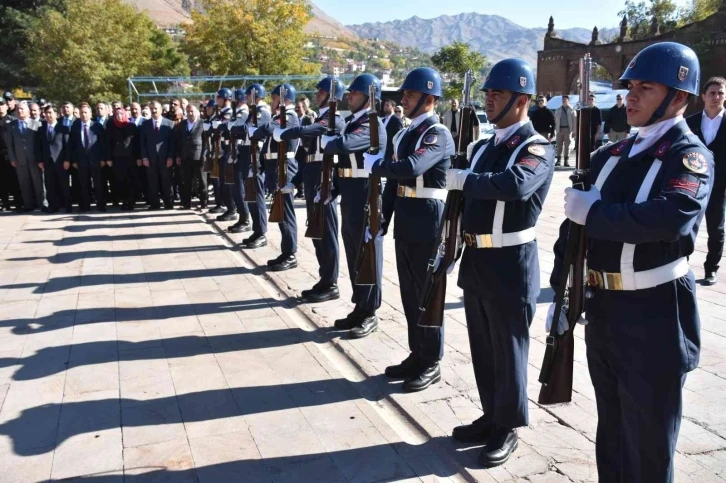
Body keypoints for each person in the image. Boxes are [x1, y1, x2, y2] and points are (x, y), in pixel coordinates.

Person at [549, 42, 711, 483]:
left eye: (646, 87)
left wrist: (595, 213)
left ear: (679, 97)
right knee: (614, 435)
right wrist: (561, 289)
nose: (631, 97)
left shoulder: (689, 156)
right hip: (605, 310)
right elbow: (571, 235)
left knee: (649, 444)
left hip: (655, 314)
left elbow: (671, 215)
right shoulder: (610, 155)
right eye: (629, 87)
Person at [445, 59, 554, 467]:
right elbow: (460, 205)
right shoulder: (481, 146)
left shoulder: (536, 147)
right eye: (488, 94)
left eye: (498, 94)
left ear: (521, 100)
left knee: (508, 349)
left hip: (511, 260)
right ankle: (491, 414)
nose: (489, 101)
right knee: (483, 347)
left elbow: (515, 186)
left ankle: (508, 426)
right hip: (477, 258)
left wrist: (464, 179)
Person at [364, 67, 455, 392]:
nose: (404, 99)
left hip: (428, 218)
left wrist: (377, 165)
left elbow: (412, 167)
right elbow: (394, 183)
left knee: (427, 294)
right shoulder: (404, 134)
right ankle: (417, 353)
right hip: (405, 216)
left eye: (410, 95)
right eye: (404, 94)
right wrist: (382, 218)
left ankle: (431, 361)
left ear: (429, 99)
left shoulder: (437, 133)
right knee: (409, 293)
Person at [322, 73, 387, 338]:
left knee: (367, 253)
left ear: (370, 98)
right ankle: (360, 306)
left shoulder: (372, 125)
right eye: (349, 93)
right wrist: (332, 188)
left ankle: (370, 310)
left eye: (355, 94)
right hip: (350, 192)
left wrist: (330, 141)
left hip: (365, 194)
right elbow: (342, 162)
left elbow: (346, 145)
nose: (349, 97)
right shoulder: (354, 122)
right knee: (353, 251)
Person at [278, 76, 345, 298]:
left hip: (325, 181)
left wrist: (291, 132)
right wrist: (295, 181)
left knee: (327, 234)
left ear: (333, 96)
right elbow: (307, 156)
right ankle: (324, 278)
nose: (317, 95)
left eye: (322, 92)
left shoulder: (334, 119)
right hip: (312, 178)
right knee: (317, 233)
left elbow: (315, 130)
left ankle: (331, 283)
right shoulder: (321, 118)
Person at [253, 83, 300, 272]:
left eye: (274, 98)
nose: (272, 102)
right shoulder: (279, 116)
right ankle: (285, 251)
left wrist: (260, 129)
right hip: (275, 167)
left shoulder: (289, 116)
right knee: (280, 211)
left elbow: (271, 129)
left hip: (285, 168)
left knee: (286, 212)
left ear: (285, 99)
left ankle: (291, 254)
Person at [686, 77, 725, 285]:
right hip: (691, 185)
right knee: (685, 225)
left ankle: (711, 269)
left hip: (719, 187)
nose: (716, 97)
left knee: (717, 230)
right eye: (712, 93)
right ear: (703, 96)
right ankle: (681, 264)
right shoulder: (689, 123)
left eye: (720, 93)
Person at [5, 101, 45, 211]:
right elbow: (10, 143)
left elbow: (41, 143)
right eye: (18, 109)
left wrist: (41, 159)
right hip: (19, 159)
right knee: (24, 183)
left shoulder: (36, 124)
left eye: (22, 109)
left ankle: (42, 204)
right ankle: (28, 205)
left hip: (34, 159)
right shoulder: (11, 126)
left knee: (38, 183)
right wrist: (12, 158)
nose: (19, 111)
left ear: (28, 111)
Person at [70, 102, 106, 212]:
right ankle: (85, 205)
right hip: (81, 161)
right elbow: (72, 145)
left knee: (98, 184)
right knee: (83, 184)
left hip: (96, 160)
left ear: (90, 114)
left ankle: (101, 205)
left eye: (86, 112)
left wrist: (103, 158)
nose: (84, 114)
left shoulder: (97, 126)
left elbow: (103, 144)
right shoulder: (75, 126)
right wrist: (74, 160)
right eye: (81, 112)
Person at [140, 100, 175, 210]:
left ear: (161, 110)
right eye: (151, 109)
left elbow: (172, 143)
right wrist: (144, 157)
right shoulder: (145, 124)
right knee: (152, 182)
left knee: (166, 181)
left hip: (165, 158)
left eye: (155, 108)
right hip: (150, 159)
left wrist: (170, 157)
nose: (153, 110)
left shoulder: (169, 123)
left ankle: (168, 203)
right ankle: (155, 204)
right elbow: (142, 143)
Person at [226, 87, 252, 233]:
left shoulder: (243, 113)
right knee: (235, 187)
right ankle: (242, 217)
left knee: (240, 188)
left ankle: (245, 218)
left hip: (241, 153)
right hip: (235, 152)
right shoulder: (239, 113)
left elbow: (240, 129)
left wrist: (230, 126)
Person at [38, 104, 72, 213]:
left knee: (64, 185)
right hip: (47, 162)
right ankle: (53, 206)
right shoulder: (41, 129)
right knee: (50, 185)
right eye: (46, 113)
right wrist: (40, 160)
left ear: (56, 114)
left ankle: (68, 206)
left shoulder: (63, 128)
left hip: (61, 161)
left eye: (50, 113)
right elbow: (38, 146)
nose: (48, 115)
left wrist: (67, 160)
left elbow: (67, 146)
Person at [105, 106, 139, 210]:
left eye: (121, 114)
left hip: (131, 159)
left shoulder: (131, 126)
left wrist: (139, 157)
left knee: (131, 181)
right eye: (117, 114)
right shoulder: (111, 127)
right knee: (120, 181)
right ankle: (124, 201)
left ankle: (131, 201)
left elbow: (137, 144)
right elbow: (108, 144)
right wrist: (108, 158)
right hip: (117, 159)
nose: (119, 116)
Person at [177, 104, 206, 210]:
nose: (190, 114)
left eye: (192, 111)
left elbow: (206, 141)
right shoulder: (182, 124)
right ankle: (186, 203)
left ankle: (204, 202)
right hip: (185, 157)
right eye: (188, 111)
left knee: (202, 181)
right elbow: (179, 141)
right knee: (186, 181)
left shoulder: (203, 123)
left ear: (197, 112)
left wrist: (204, 155)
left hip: (198, 156)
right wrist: (178, 155)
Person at [0, 97, 21, 211]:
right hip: (0, 155)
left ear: (7, 106)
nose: (0, 107)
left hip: (11, 154)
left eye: (2, 105)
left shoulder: (13, 120)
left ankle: (18, 203)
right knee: (2, 181)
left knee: (14, 180)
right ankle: (5, 203)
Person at [554, 95, 577, 167]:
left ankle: (566, 161)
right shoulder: (558, 110)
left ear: (568, 101)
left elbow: (575, 121)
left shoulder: (572, 110)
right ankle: (558, 161)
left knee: (567, 146)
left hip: (568, 130)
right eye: (563, 100)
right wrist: (555, 130)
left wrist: (574, 131)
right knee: (559, 145)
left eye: (565, 100)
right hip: (559, 129)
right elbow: (555, 120)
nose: (564, 101)